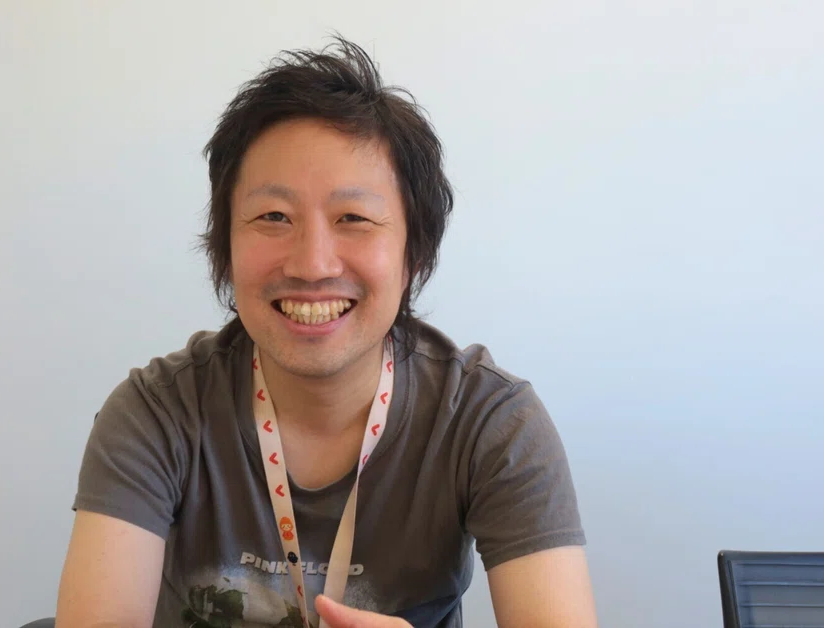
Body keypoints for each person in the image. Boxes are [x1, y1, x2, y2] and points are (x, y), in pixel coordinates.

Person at [56, 36, 597, 628]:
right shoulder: (157, 415)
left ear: (414, 253)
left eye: (353, 218)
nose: (313, 264)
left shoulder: (489, 421)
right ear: (225, 247)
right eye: (273, 217)